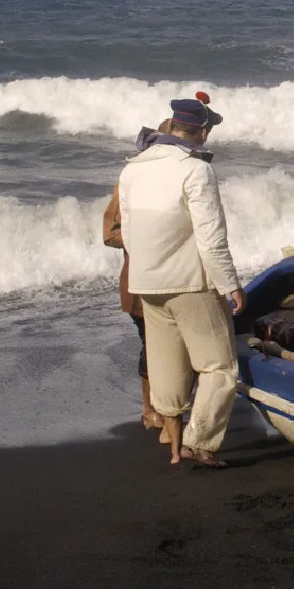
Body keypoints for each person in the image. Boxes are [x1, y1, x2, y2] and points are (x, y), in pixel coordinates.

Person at [119, 93, 246, 468]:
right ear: (203, 133)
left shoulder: (133, 168)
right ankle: (201, 442)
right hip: (191, 283)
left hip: (146, 282)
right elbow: (211, 237)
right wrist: (230, 283)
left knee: (166, 365)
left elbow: (128, 233)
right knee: (219, 367)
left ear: (172, 125)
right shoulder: (196, 170)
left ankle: (174, 447)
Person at [102, 120, 173, 435]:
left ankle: (173, 405)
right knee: (152, 345)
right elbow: (109, 234)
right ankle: (151, 409)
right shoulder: (129, 181)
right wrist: (142, 236)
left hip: (179, 277)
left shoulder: (187, 176)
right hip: (141, 280)